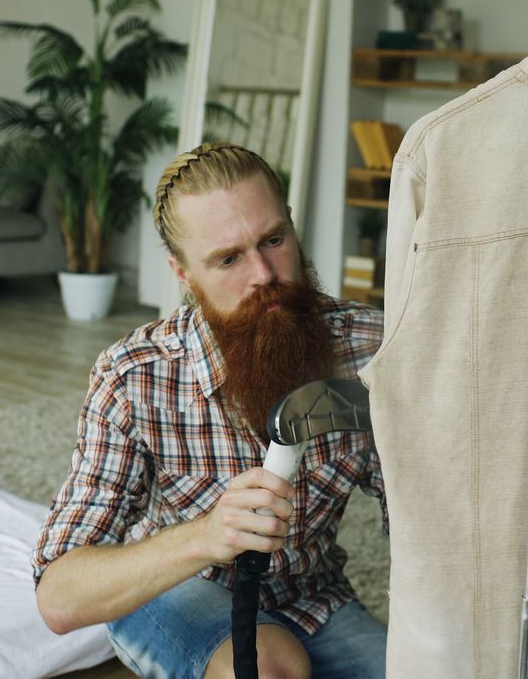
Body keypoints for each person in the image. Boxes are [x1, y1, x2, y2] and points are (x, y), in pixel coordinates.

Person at [32, 142, 388, 679]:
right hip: (172, 589)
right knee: (270, 667)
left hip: (314, 595)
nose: (264, 273)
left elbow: (427, 519)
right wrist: (206, 535)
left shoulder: (369, 350)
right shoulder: (134, 375)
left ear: (292, 225)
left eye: (273, 240)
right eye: (228, 258)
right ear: (183, 274)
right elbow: (59, 598)